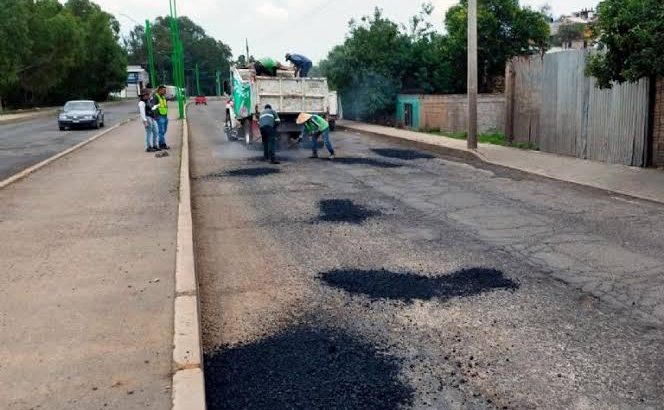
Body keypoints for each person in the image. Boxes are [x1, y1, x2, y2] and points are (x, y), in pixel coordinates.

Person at [151, 85, 170, 150]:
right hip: (159, 116)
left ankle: (160, 142)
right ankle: (163, 144)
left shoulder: (163, 97)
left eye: (165, 90)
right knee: (161, 131)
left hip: (165, 115)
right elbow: (153, 106)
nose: (165, 91)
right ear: (159, 90)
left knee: (164, 130)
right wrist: (156, 116)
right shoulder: (156, 97)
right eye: (163, 90)